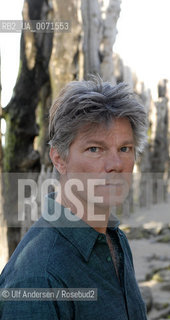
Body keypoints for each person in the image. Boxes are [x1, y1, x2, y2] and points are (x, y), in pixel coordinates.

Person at [0, 76, 148, 319]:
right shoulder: (38, 278)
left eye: (124, 149)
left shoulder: (115, 238)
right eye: (94, 149)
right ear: (59, 159)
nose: (116, 165)